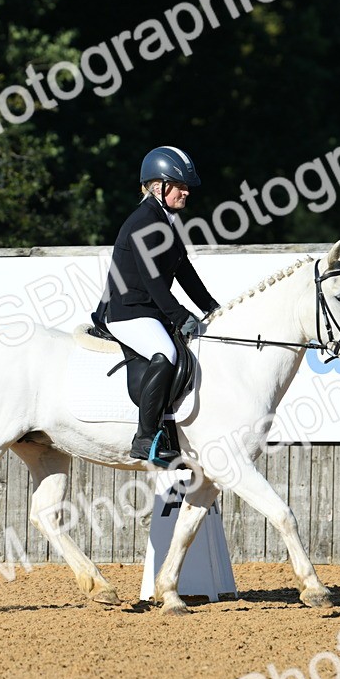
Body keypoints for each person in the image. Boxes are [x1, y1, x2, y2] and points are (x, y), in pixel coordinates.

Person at [95, 146, 220, 466]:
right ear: (158, 186)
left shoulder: (165, 221)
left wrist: (212, 309)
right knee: (165, 354)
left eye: (186, 186)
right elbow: (152, 280)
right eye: (179, 186)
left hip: (148, 310)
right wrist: (179, 315)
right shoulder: (143, 222)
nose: (186, 191)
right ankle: (145, 437)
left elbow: (184, 272)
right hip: (127, 312)